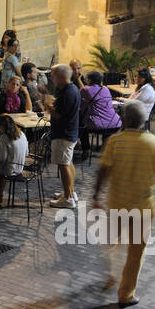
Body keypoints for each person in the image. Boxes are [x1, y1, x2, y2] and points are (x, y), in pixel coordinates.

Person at [90, 101, 155, 307]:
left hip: (117, 204)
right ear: (144, 120)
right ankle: (126, 294)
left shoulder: (114, 141)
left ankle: (113, 273)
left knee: (112, 241)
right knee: (136, 252)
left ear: (124, 119)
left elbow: (102, 171)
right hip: (143, 208)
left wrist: (96, 195)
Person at [47, 64, 81, 209]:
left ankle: (67, 199)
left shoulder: (68, 92)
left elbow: (59, 114)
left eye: (53, 75)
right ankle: (70, 192)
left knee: (64, 165)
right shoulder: (72, 89)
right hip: (70, 131)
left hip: (63, 133)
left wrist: (47, 105)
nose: (51, 78)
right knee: (68, 162)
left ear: (60, 77)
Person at [0, 113, 28, 208]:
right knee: (2, 167)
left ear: (2, 126)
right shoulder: (22, 133)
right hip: (20, 167)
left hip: (10, 169)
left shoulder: (4, 137)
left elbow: (3, 158)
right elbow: (27, 153)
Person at [80, 71, 122, 135]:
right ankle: (105, 143)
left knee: (81, 125)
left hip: (97, 124)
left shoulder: (85, 89)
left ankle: (85, 145)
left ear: (90, 79)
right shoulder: (105, 89)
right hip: (115, 122)